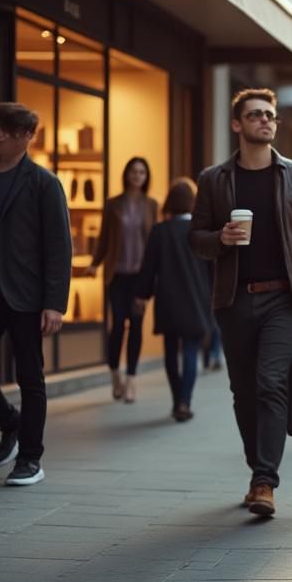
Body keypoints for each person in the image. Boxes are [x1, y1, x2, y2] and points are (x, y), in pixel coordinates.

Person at [190, 88, 292, 517]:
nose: (265, 121)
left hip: (283, 298)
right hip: (233, 300)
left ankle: (265, 482)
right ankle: (258, 471)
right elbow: (194, 239)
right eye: (255, 115)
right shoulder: (214, 180)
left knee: (271, 382)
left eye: (270, 115)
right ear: (237, 124)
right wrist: (219, 238)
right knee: (243, 391)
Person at [0, 102, 71, 486]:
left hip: (28, 298)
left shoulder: (44, 184)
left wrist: (54, 303)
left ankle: (31, 459)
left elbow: (59, 246)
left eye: (3, 130)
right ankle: (9, 421)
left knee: (31, 378)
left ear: (26, 136)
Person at [134, 178, 212, 422]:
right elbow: (212, 268)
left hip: (167, 299)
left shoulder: (160, 231)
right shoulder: (200, 232)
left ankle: (176, 398)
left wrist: (141, 295)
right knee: (190, 350)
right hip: (195, 298)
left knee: (170, 352)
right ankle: (184, 402)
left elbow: (148, 267)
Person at [90, 157, 158, 403]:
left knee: (137, 326)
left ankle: (131, 380)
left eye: (142, 171)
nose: (138, 175)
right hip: (117, 275)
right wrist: (95, 263)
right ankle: (115, 374)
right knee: (118, 324)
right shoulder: (113, 204)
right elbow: (104, 237)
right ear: (127, 174)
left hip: (141, 277)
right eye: (134, 171)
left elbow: (155, 242)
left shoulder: (152, 205)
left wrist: (158, 272)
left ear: (146, 176)